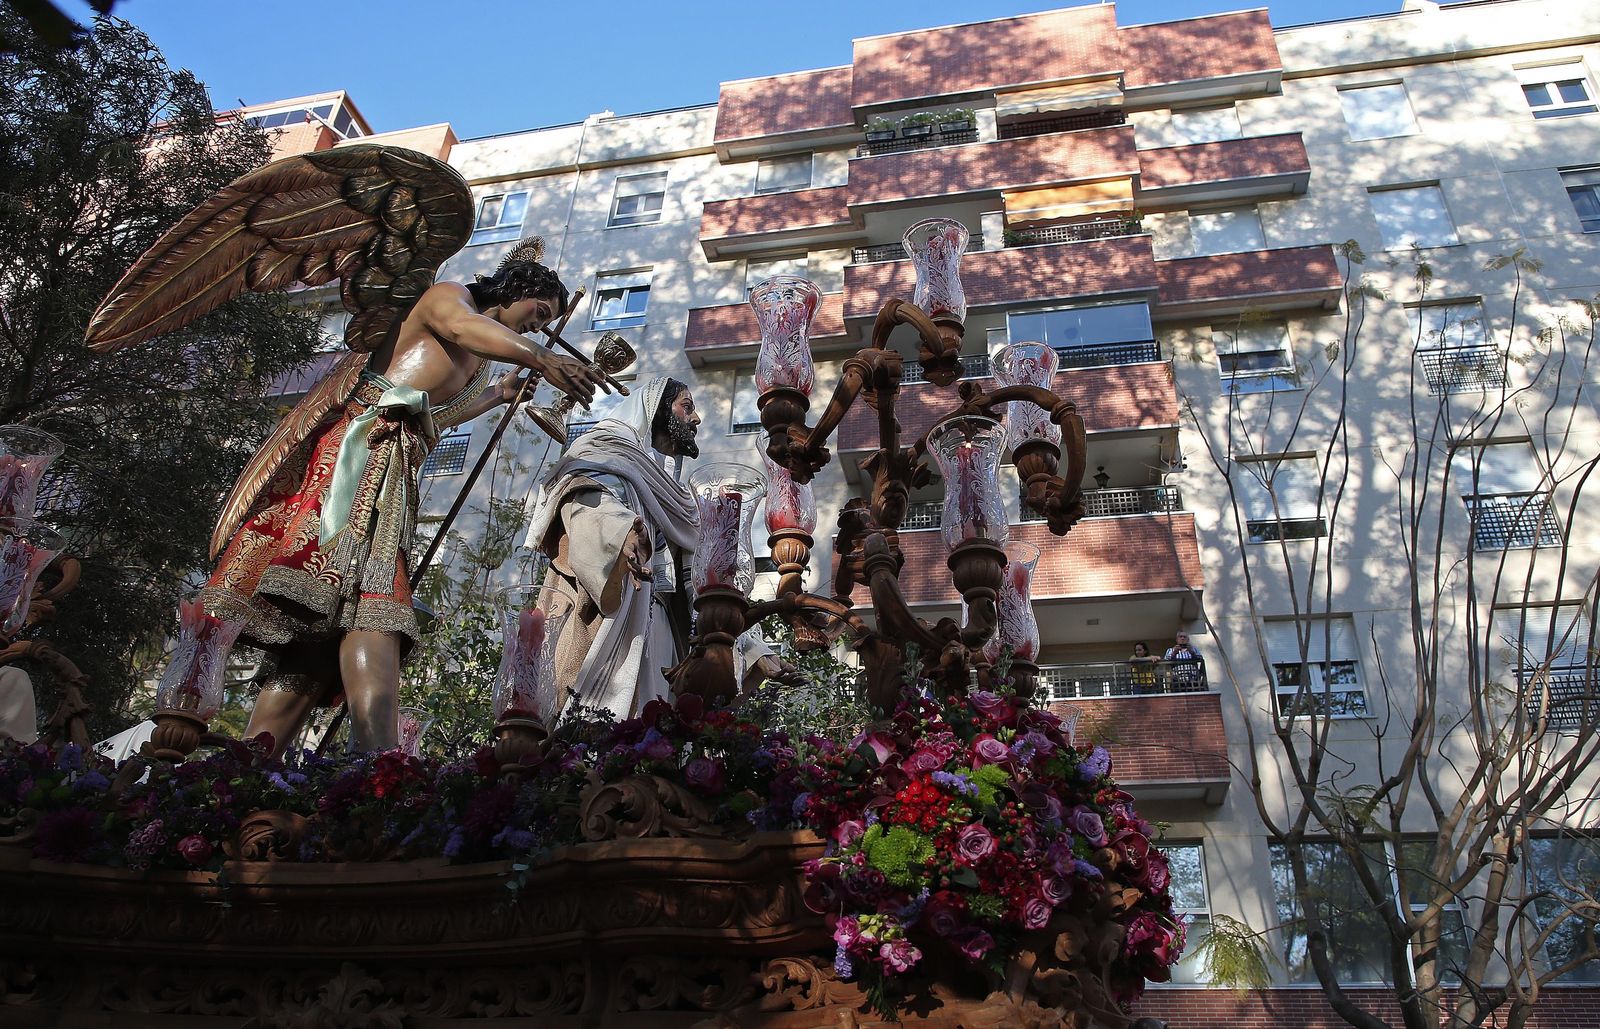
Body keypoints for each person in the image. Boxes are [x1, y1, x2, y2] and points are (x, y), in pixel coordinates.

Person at [203, 243, 610, 756]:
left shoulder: (481, 364)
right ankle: (378, 760)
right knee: (372, 605)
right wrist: (541, 357)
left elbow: (431, 418)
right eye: (540, 312)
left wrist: (496, 397)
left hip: (396, 465)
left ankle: (254, 761)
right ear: (515, 289)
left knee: (323, 641)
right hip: (360, 453)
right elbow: (463, 329)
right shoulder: (447, 297)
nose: (537, 326)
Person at [524, 377, 785, 719]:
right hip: (616, 609)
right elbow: (586, 500)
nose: (696, 419)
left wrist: (752, 647)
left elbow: (707, 585)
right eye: (686, 407)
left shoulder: (676, 500)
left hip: (661, 625)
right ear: (656, 409)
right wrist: (622, 535)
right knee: (602, 725)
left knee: (658, 732)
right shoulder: (608, 455)